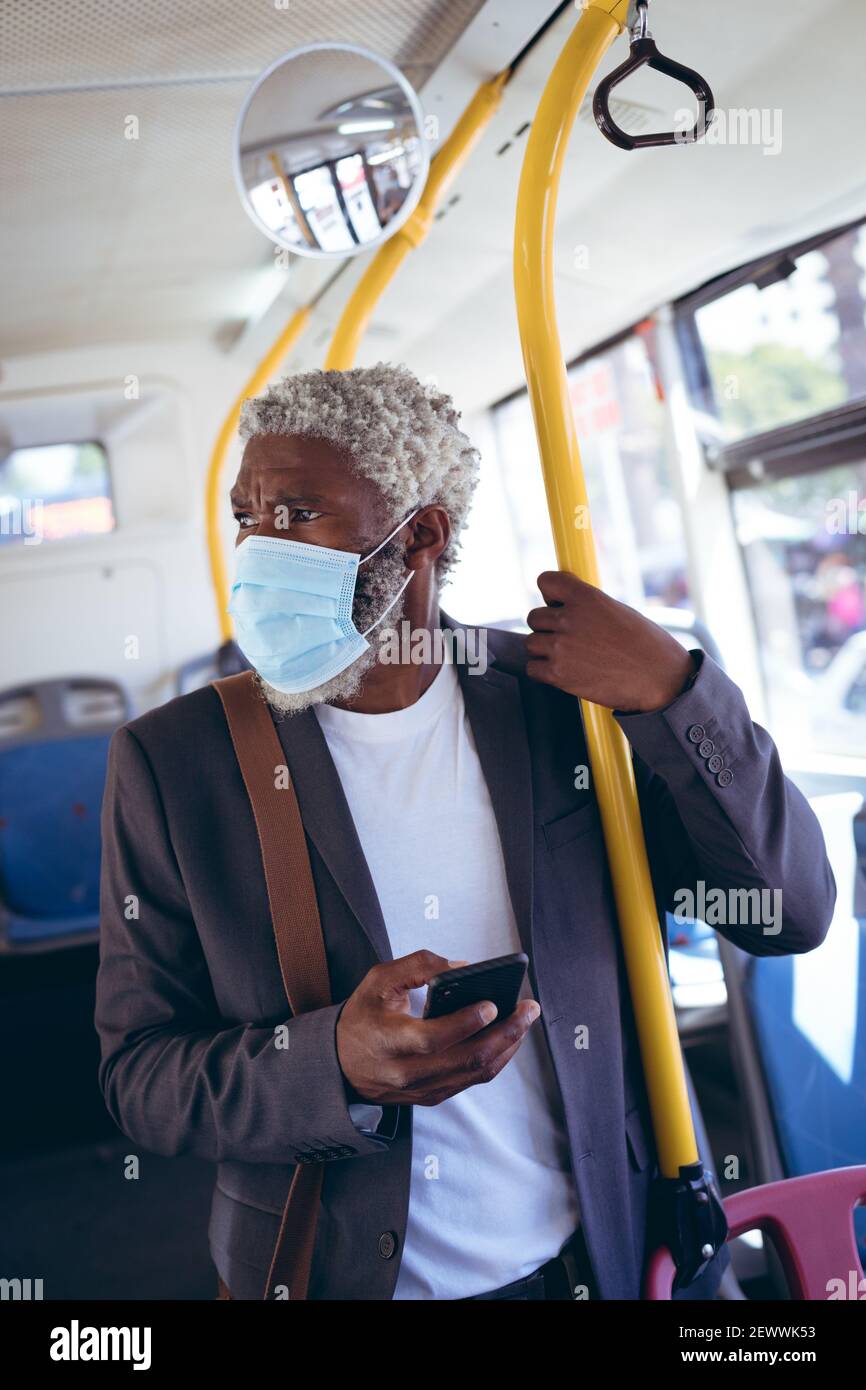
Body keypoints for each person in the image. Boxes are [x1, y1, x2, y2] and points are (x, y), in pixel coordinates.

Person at [95, 362, 836, 1301]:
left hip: (614, 1253)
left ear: (423, 536)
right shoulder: (175, 762)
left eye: (296, 514)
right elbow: (138, 1075)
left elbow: (790, 914)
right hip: (338, 1273)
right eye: (248, 516)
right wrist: (330, 1066)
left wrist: (680, 694)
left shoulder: (568, 696)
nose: (258, 548)